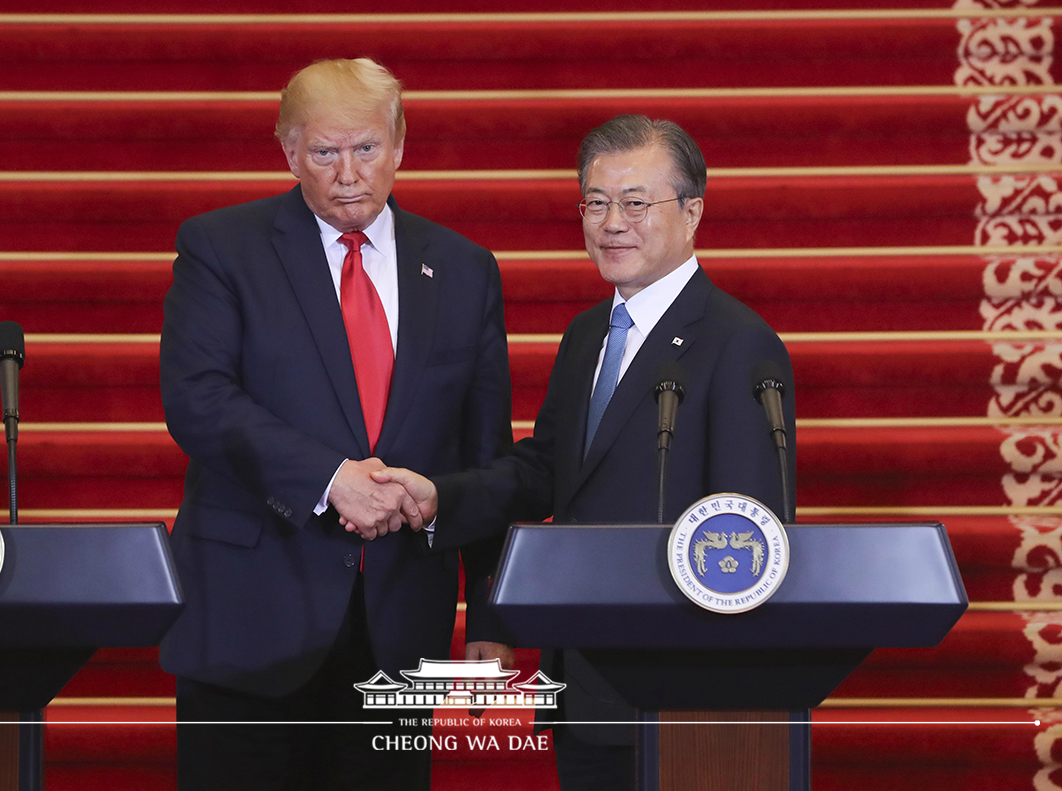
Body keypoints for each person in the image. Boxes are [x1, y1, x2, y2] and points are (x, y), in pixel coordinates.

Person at [372, 115, 797, 791]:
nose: (611, 222)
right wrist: (439, 498)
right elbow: (548, 471)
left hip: (684, 696)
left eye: (635, 203)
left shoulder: (737, 342)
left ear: (692, 214)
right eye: (596, 202)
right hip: (587, 686)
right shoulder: (588, 334)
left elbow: (749, 534)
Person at [158, 58, 514, 791]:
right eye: (324, 152)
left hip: (398, 622)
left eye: (366, 148)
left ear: (400, 143)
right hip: (250, 616)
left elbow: (487, 453)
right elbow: (197, 396)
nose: (348, 173)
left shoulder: (465, 268)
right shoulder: (221, 247)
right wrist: (330, 481)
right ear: (289, 151)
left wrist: (489, 613)